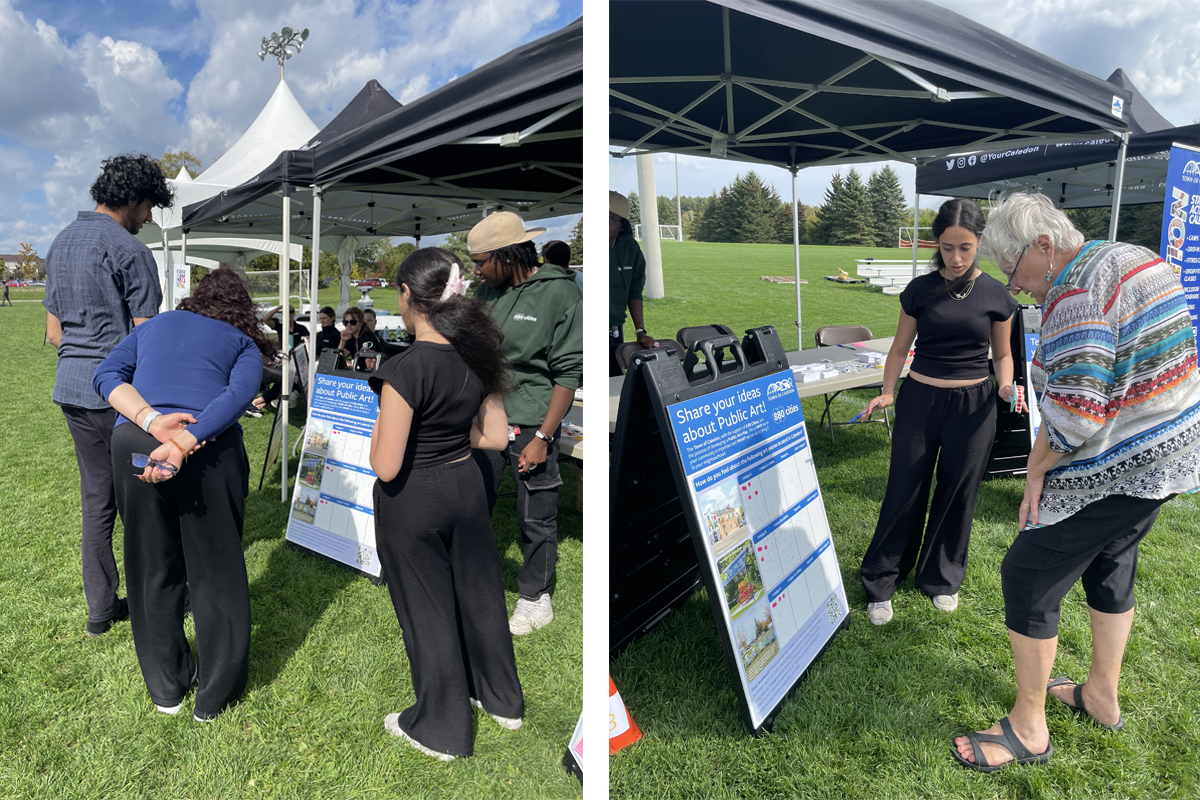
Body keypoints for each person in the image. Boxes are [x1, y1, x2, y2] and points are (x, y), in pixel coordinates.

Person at [952, 192, 1200, 772]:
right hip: (1173, 452)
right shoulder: (1132, 255)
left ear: (1045, 245)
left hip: (1124, 459)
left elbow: (1075, 416)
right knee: (1112, 559)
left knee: (1028, 570)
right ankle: (1100, 698)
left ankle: (1027, 729)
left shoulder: (1074, 296)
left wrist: (1035, 471)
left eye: (1014, 272)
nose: (1015, 289)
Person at [93, 268, 273, 721]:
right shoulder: (243, 342)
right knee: (217, 570)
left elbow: (106, 374)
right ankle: (216, 695)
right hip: (207, 451)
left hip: (134, 442)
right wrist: (181, 442)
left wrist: (152, 422)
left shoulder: (152, 326)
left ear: (196, 299)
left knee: (150, 564)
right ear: (242, 310)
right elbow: (240, 394)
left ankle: (166, 689)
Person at [369, 248, 522, 760]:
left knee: (428, 611)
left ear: (408, 296)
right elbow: (496, 436)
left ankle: (440, 728)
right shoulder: (477, 354)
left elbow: (386, 465)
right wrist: (451, 436)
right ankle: (502, 699)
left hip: (416, 498)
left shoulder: (403, 369)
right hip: (468, 487)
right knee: (481, 593)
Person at [858, 198, 1016, 625]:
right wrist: (888, 390)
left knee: (958, 492)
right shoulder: (920, 289)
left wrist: (1006, 384)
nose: (957, 257)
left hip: (975, 406)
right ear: (938, 245)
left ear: (979, 242)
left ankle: (942, 578)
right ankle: (882, 580)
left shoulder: (996, 295)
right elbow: (898, 348)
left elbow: (1002, 355)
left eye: (965, 247)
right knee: (904, 488)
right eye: (948, 247)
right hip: (920, 400)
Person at [43, 153, 173, 637]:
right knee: (144, 500)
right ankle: (151, 601)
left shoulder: (58, 244)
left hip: (71, 389)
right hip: (118, 394)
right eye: (148, 209)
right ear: (134, 199)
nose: (148, 219)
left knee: (97, 499)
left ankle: (100, 609)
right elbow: (149, 340)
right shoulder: (129, 250)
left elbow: (54, 333)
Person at [470, 211, 583, 635]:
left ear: (507, 255)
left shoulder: (560, 294)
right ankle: (474, 579)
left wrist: (542, 437)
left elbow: (568, 374)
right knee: (471, 501)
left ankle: (536, 597)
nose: (477, 271)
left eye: (482, 262)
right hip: (484, 419)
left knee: (535, 515)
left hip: (531, 424)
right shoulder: (486, 292)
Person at [609, 191, 657, 375]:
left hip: (613, 329)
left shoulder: (631, 248)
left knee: (613, 380)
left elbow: (635, 292)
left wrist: (640, 331)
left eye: (610, 220)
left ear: (623, 225)